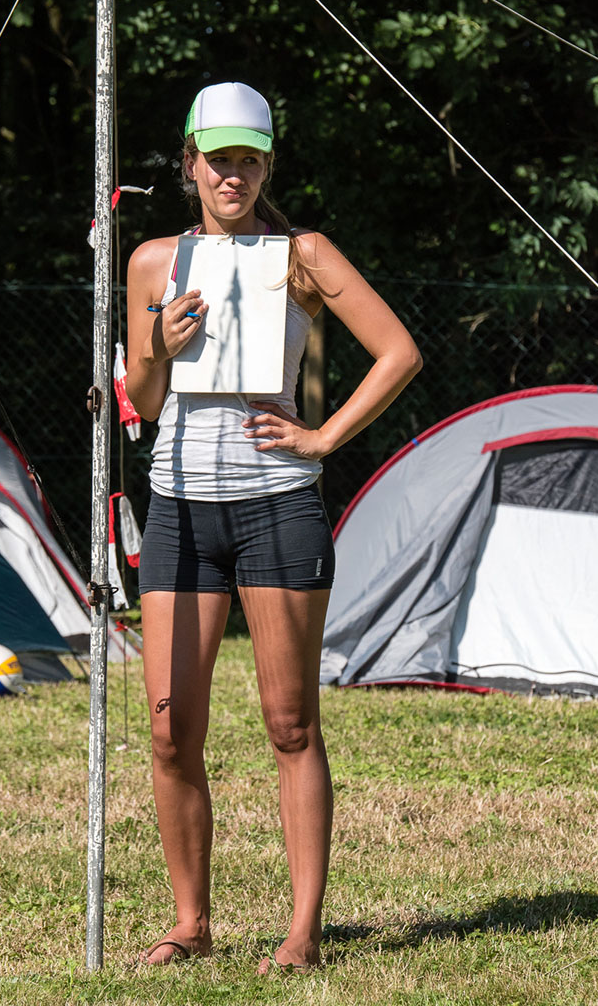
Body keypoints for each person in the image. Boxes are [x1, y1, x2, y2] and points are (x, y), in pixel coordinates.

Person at [126, 82, 422, 971]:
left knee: (291, 724)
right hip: (179, 509)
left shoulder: (304, 254)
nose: (234, 175)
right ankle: (190, 922)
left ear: (267, 166)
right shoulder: (153, 261)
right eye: (218, 159)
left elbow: (399, 352)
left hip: (277, 508)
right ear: (189, 163)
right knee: (170, 731)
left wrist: (323, 437)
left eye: (249, 160)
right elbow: (143, 400)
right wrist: (157, 348)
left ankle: (302, 933)